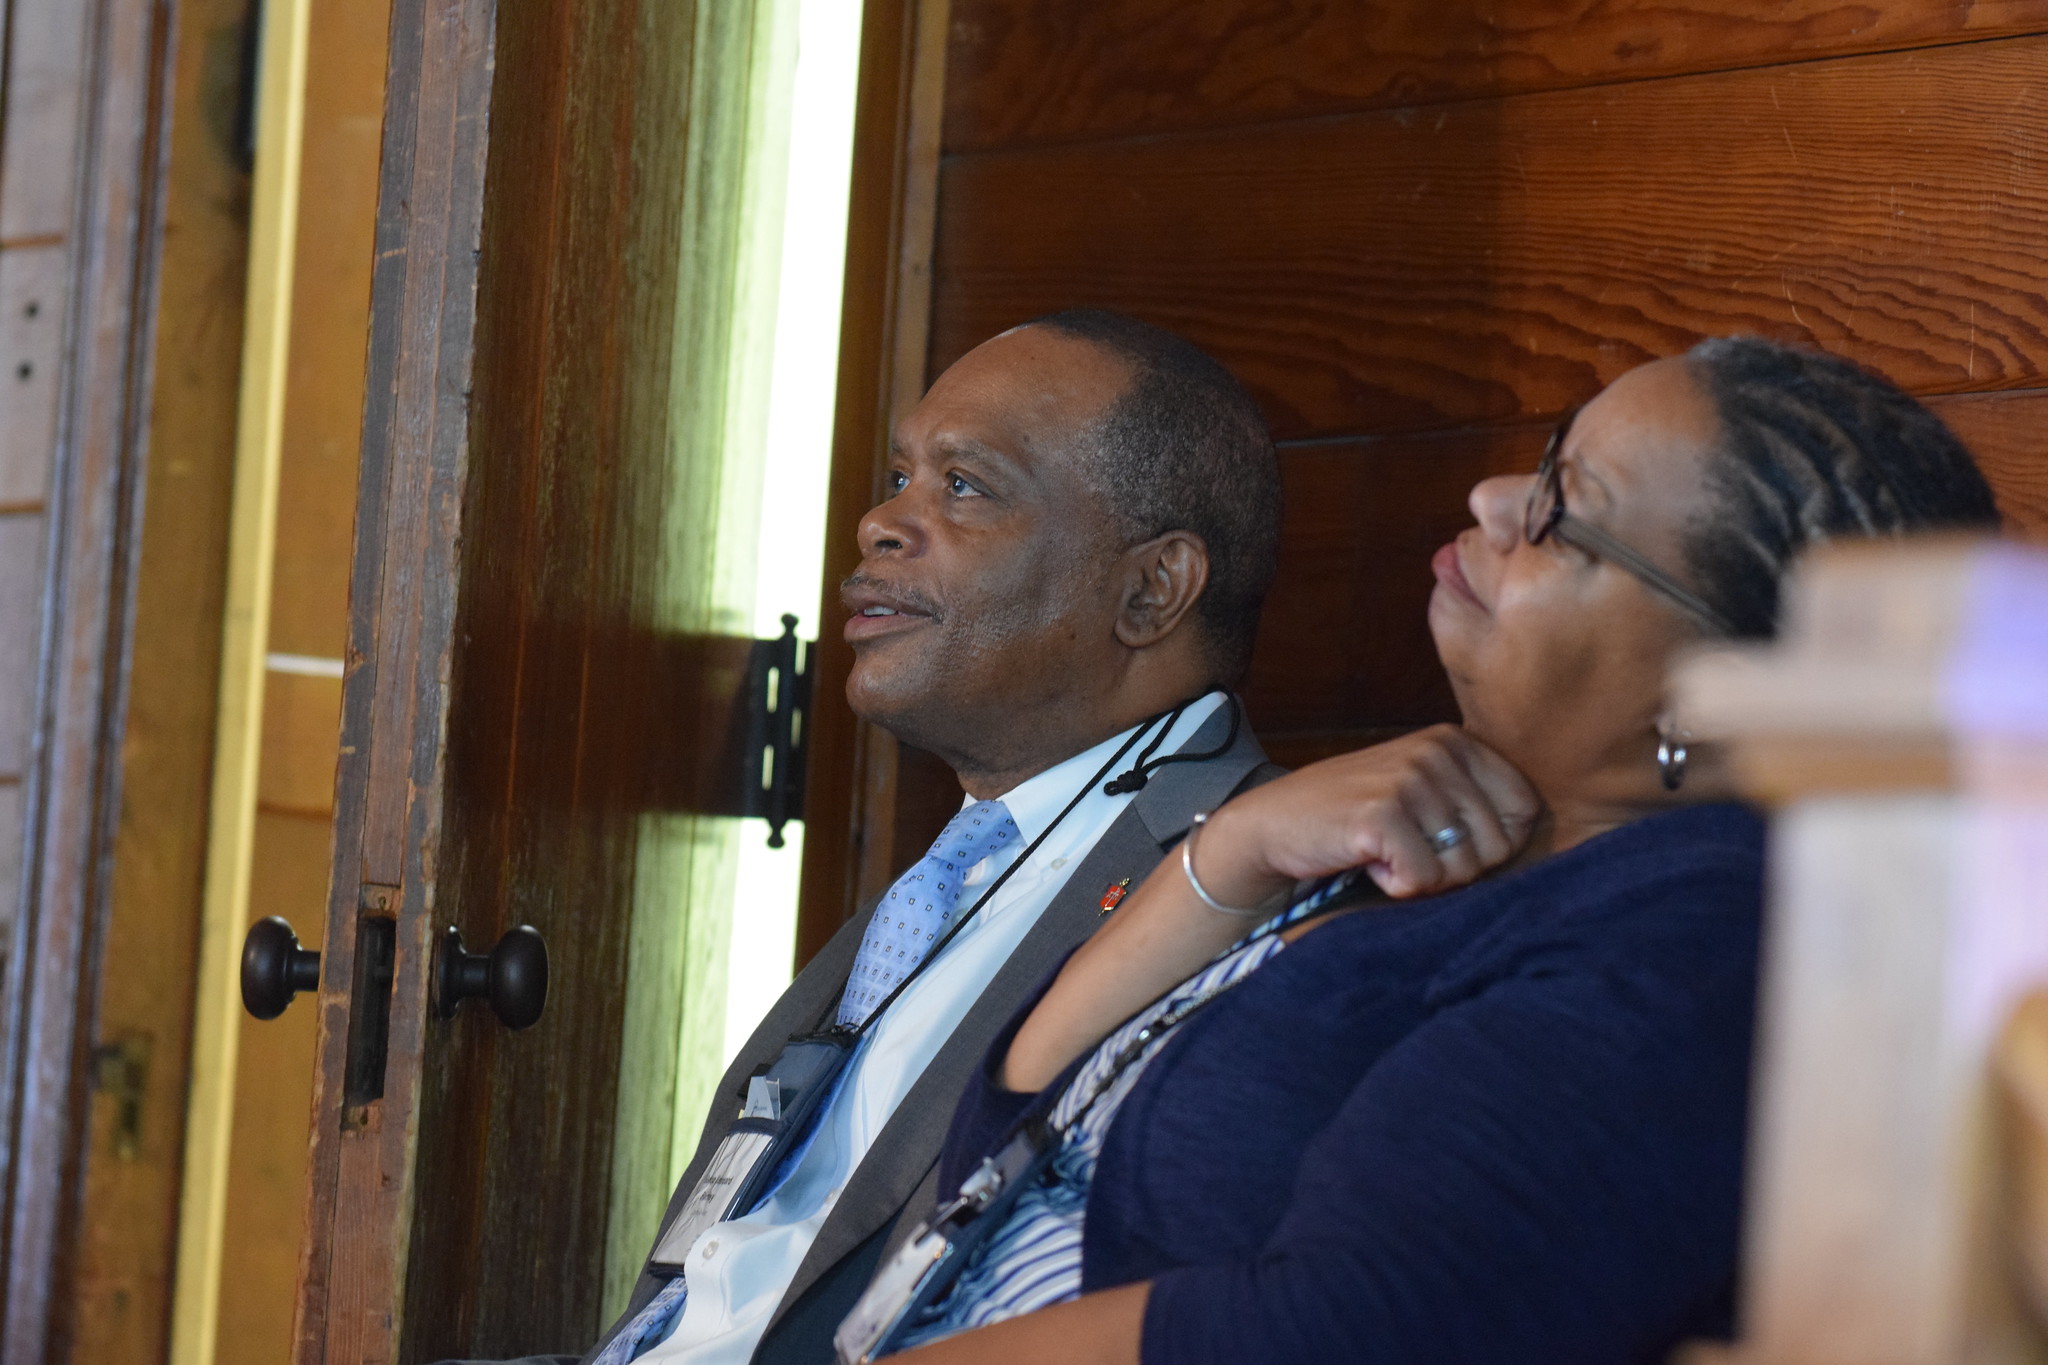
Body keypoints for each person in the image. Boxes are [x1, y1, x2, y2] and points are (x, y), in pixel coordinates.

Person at [844, 337, 2003, 1365]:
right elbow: (1012, 1141)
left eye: (1560, 512)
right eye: (1539, 460)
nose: (1492, 497)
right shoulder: (1441, 836)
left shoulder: (1696, 946)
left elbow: (1347, 1335)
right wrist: (1230, 856)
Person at [457, 310, 1286, 1365]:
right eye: (899, 476)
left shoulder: (1254, 891)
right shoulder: (966, 864)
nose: (881, 523)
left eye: (964, 486)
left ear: (1150, 589)